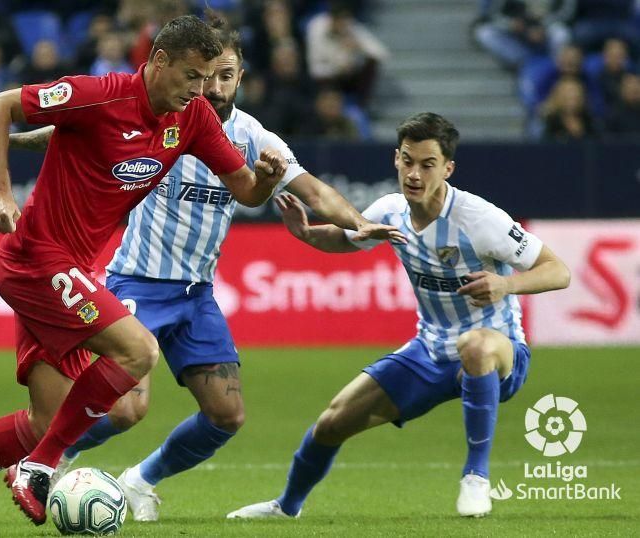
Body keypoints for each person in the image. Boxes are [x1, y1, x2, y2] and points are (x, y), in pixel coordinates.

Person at [0, 22, 402, 523]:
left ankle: (139, 480)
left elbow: (311, 192)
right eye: (203, 77)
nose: (211, 88)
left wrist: (357, 221)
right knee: (125, 409)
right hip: (137, 279)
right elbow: (73, 130)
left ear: (239, 76)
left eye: (223, 76)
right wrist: (9, 142)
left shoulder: (247, 134)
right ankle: (55, 457)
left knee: (227, 415)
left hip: (197, 291)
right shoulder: (161, 109)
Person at [0, 15, 290, 534]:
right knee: (138, 351)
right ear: (158, 61)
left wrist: (268, 180)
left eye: (208, 79)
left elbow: (246, 191)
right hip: (35, 260)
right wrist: (1, 192)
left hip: (71, 270)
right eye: (191, 76)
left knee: (46, 424)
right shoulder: (97, 96)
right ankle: (42, 467)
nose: (201, 90)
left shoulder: (194, 120)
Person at [226, 112, 571, 520]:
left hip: (499, 350)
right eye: (408, 161)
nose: (415, 173)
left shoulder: (479, 219)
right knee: (332, 422)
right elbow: (347, 239)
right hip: (430, 350)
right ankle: (287, 507)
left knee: (474, 345)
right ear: (395, 159)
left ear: (448, 168)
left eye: (427, 164)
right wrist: (306, 234)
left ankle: (476, 477)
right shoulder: (390, 211)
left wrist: (506, 285)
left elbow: (558, 271)